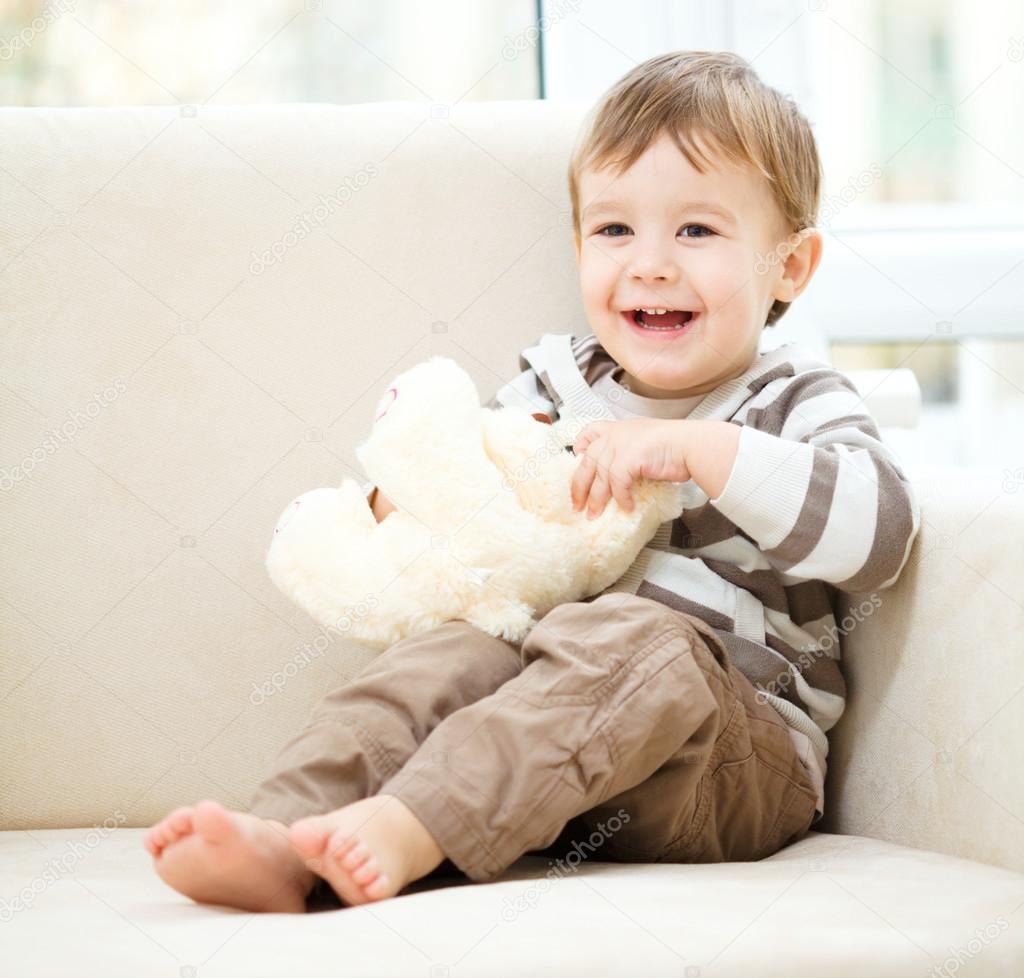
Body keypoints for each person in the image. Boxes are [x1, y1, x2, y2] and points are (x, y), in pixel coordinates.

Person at [144, 50, 920, 913]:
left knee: (643, 638)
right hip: (546, 763)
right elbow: (462, 494)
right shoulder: (550, 389)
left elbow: (881, 535)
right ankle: (286, 835)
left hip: (724, 765)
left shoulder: (790, 399)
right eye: (615, 231)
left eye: (696, 231)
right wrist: (399, 504)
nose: (651, 264)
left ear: (790, 267)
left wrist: (704, 451)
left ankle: (412, 824)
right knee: (448, 654)